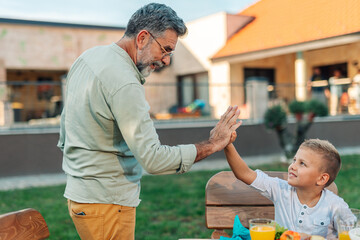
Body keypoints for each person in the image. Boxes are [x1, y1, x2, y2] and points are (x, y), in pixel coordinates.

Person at [57, 3, 241, 240]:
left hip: (79, 197)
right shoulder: (125, 82)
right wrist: (213, 144)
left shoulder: (87, 58)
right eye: (165, 50)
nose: (165, 61)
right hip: (107, 203)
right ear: (143, 38)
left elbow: (65, 131)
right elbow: (154, 159)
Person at [224, 131, 355, 239]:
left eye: (302, 163)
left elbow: (354, 234)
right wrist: (227, 144)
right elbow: (245, 174)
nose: (292, 166)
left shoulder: (335, 205)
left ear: (321, 179)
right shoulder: (280, 190)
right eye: (294, 160)